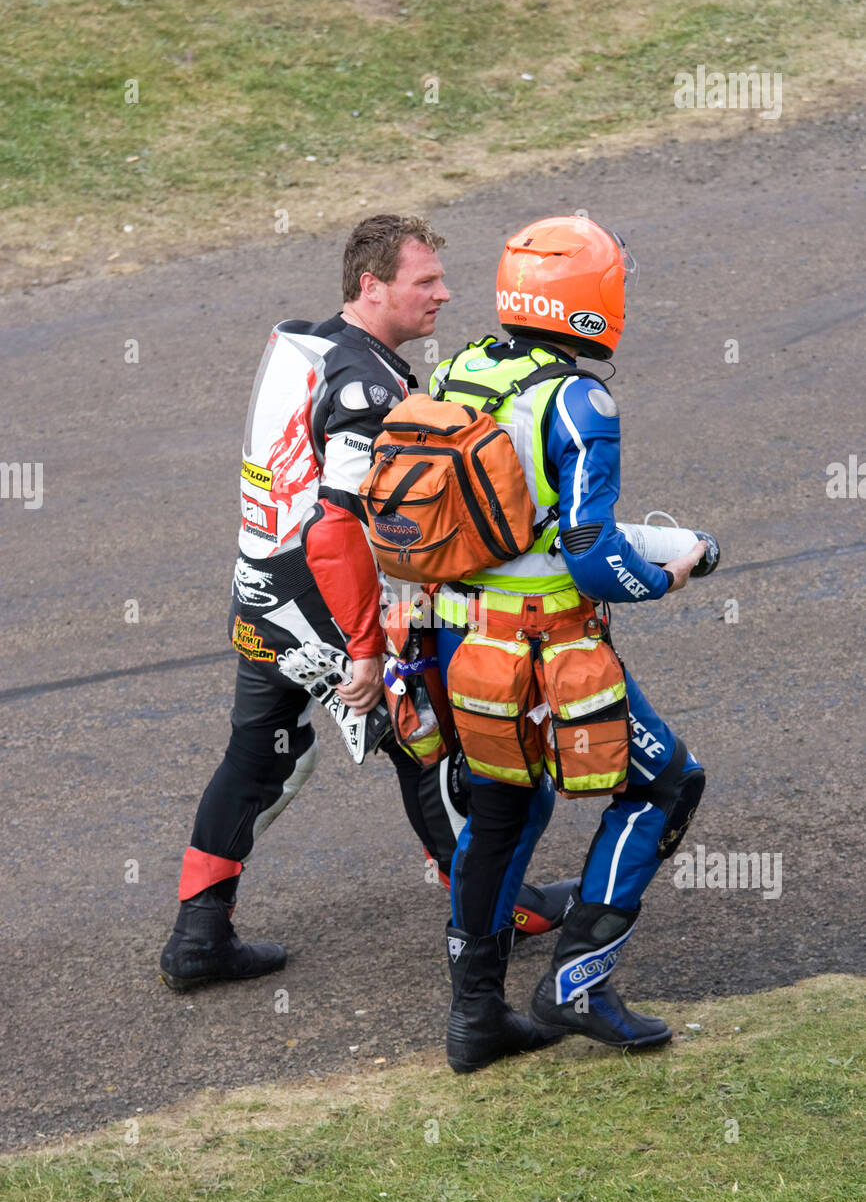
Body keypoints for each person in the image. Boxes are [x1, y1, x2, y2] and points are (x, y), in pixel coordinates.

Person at [159, 214, 568, 990]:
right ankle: (493, 911)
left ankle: (198, 937)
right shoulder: (367, 386)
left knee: (264, 755)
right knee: (428, 746)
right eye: (426, 281)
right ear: (371, 286)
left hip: (259, 589)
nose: (445, 294)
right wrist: (367, 647)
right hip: (323, 601)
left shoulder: (308, 344)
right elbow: (335, 530)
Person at [428, 215, 707, 1072]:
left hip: (457, 643)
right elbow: (588, 556)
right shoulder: (581, 400)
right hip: (547, 653)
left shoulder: (458, 368)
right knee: (666, 784)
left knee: (501, 810)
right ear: (593, 299)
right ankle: (578, 985)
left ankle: (475, 1020)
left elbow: (513, 518)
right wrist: (670, 574)